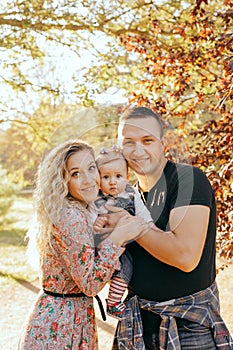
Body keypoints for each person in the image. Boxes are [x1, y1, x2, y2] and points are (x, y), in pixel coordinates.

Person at [109, 106, 233, 349]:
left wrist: (130, 224)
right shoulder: (126, 196)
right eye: (129, 142)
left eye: (147, 140)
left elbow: (185, 256)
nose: (138, 150)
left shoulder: (187, 180)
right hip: (138, 326)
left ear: (163, 143)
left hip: (188, 327)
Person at [18, 139, 148, 350]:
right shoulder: (70, 216)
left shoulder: (81, 209)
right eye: (76, 173)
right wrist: (119, 237)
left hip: (71, 315)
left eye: (91, 168)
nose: (88, 180)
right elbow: (90, 285)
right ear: (62, 180)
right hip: (61, 325)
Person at [88, 146, 153, 320]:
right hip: (109, 246)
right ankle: (114, 302)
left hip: (129, 244)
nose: (112, 182)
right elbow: (92, 222)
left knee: (129, 268)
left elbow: (142, 214)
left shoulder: (132, 193)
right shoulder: (96, 198)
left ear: (127, 177)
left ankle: (115, 300)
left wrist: (148, 225)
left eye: (118, 176)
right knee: (124, 267)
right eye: (106, 177)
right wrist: (98, 224)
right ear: (98, 179)